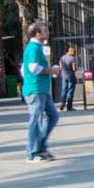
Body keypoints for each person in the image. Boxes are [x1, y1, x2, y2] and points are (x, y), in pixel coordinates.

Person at [21, 21, 59, 162]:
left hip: (41, 89)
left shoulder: (37, 48)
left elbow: (23, 70)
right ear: (37, 33)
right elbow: (33, 68)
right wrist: (51, 70)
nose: (47, 32)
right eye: (45, 30)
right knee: (35, 121)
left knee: (53, 116)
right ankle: (32, 153)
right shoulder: (33, 48)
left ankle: (40, 147)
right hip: (35, 90)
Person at [58, 45, 79, 111]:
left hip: (64, 76)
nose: (74, 52)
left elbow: (60, 68)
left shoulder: (62, 58)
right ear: (69, 51)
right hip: (71, 76)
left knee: (64, 90)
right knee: (70, 91)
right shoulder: (72, 58)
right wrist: (75, 68)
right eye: (73, 51)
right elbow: (74, 68)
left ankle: (62, 103)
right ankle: (69, 106)